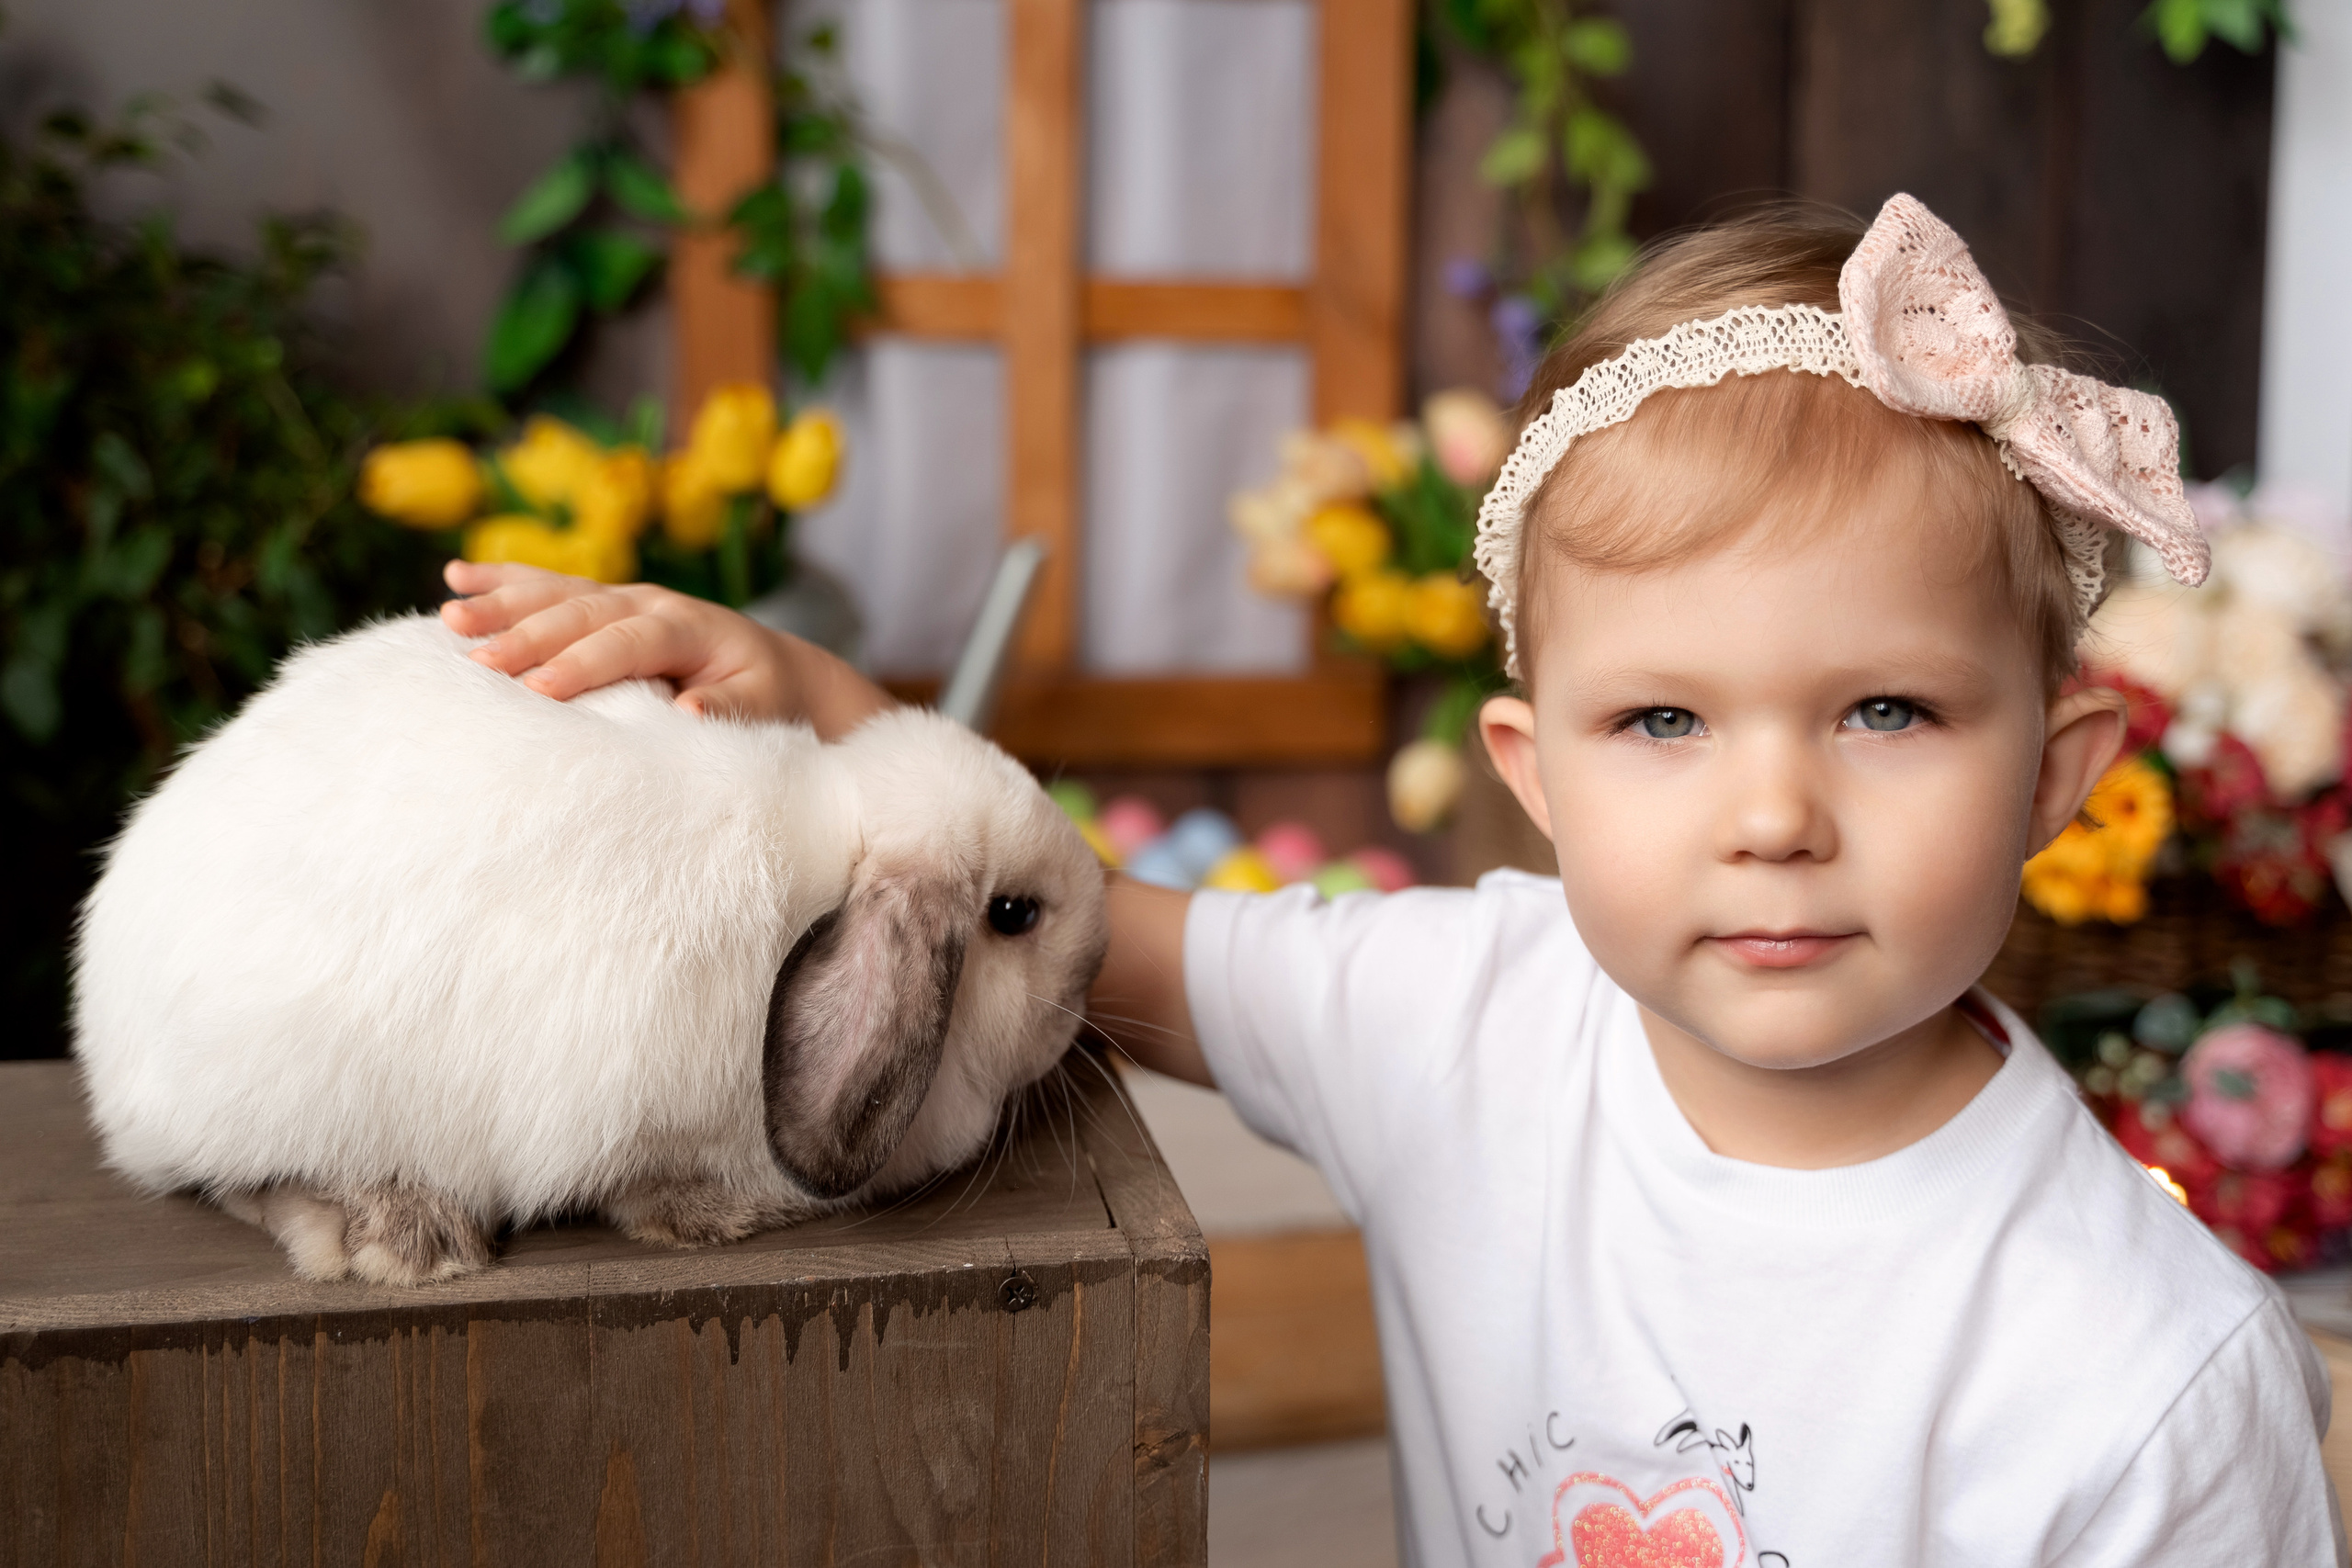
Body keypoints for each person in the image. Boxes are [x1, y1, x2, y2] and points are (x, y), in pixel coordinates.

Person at [442, 195, 2341, 1564]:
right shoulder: (1466, 1021)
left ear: (2053, 776)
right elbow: (1075, 921)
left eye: (1882, 708)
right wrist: (827, 713)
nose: (1771, 811)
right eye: (1662, 722)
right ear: (1537, 778)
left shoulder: (2137, 1374)